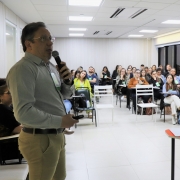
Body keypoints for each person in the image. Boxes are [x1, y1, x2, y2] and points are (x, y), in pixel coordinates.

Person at [6, 22, 78, 180]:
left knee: (59, 177)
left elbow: (65, 95)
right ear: (28, 44)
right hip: (39, 139)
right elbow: (23, 113)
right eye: (43, 38)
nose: (50, 42)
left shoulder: (50, 67)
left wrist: (67, 81)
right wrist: (60, 121)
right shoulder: (23, 69)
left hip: (56, 136)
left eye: (50, 38)